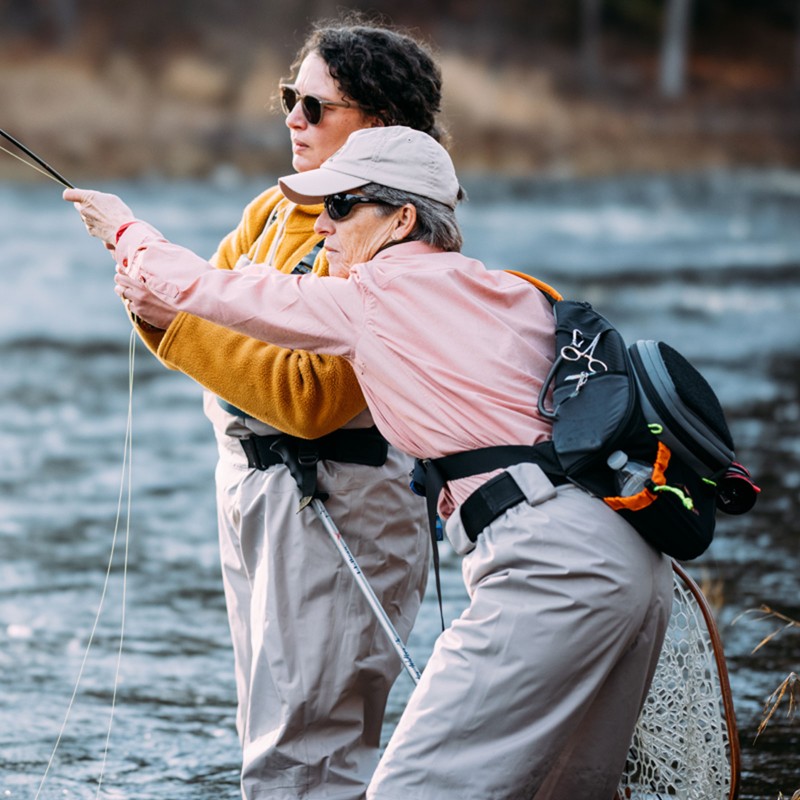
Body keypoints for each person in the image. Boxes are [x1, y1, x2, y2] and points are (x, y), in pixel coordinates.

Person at [66, 125, 673, 800]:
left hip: (550, 567)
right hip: (638, 558)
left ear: (403, 219)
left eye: (342, 206)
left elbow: (203, 290)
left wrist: (123, 230)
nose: (322, 224)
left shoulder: (373, 299)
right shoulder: (513, 288)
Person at [68, 20, 443, 800]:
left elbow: (308, 398)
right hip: (257, 491)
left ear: (380, 124)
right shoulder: (274, 209)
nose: (293, 120)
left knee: (306, 753)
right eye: (289, 98)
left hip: (339, 500)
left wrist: (170, 318)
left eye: (316, 106)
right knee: (272, 739)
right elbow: (216, 316)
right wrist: (158, 303)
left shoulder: (390, 233)